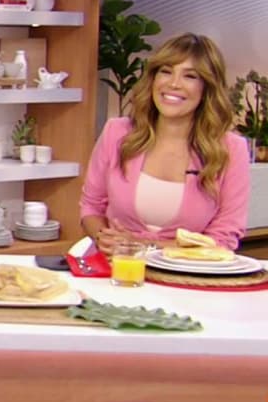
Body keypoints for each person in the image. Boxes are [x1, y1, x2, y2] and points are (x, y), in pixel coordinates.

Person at [80, 33, 250, 254]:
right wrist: (103, 237)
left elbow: (223, 239)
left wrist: (144, 246)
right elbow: (91, 207)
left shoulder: (230, 149)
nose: (173, 84)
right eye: (166, 71)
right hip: (114, 266)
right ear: (153, 78)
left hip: (187, 271)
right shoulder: (117, 133)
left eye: (190, 76)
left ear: (207, 88)